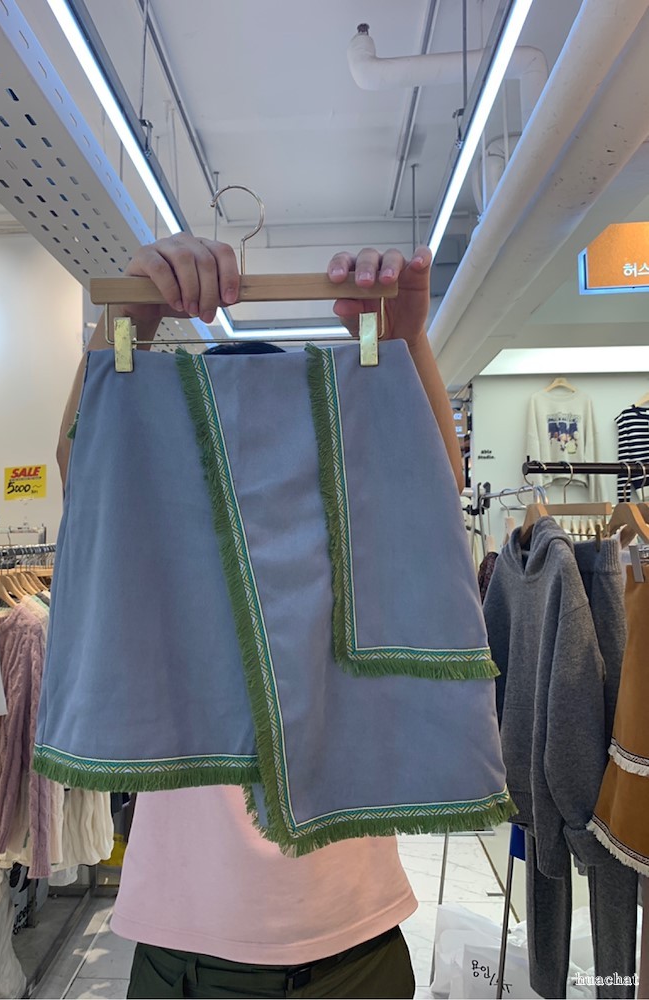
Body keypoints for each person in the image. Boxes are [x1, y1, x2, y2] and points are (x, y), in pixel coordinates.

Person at [56, 235, 463, 999]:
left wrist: (406, 341)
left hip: (353, 948)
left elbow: (435, 484)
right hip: (189, 957)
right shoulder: (150, 556)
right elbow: (87, 459)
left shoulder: (350, 551)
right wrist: (128, 317)